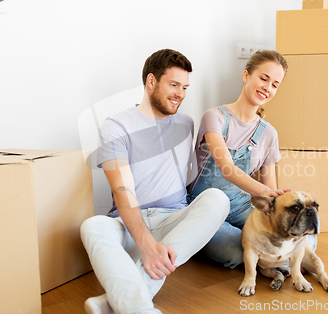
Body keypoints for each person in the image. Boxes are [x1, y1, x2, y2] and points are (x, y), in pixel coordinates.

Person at [80, 49, 230, 314]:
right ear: (151, 81)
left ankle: (118, 304)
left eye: (184, 87)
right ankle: (136, 309)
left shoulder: (187, 124)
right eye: (173, 85)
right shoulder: (116, 125)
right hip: (129, 223)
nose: (180, 94)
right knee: (92, 226)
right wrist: (146, 245)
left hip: (173, 221)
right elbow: (121, 189)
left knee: (218, 199)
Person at [187, 50, 317, 269]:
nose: (268, 88)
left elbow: (269, 189)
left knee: (308, 238)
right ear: (246, 75)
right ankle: (277, 261)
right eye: (263, 78)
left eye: (275, 84)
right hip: (204, 206)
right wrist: (265, 193)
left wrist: (280, 205)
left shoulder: (268, 134)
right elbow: (227, 168)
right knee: (236, 253)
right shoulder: (216, 117)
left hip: (242, 204)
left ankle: (273, 260)